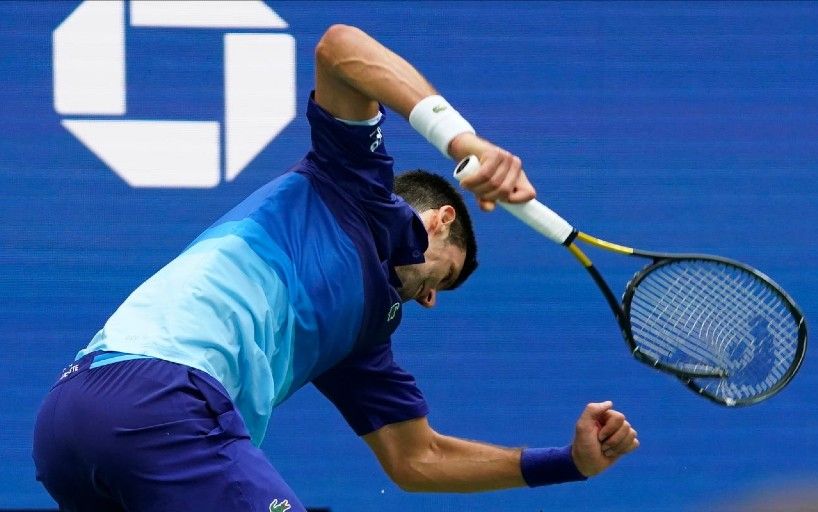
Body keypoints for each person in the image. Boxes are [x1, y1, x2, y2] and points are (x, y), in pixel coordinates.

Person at [33, 24, 639, 511]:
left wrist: (569, 464)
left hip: (69, 424)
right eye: (442, 279)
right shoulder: (347, 179)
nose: (430, 302)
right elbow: (340, 47)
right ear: (442, 219)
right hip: (163, 398)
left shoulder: (362, 337)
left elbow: (415, 459)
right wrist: (464, 141)